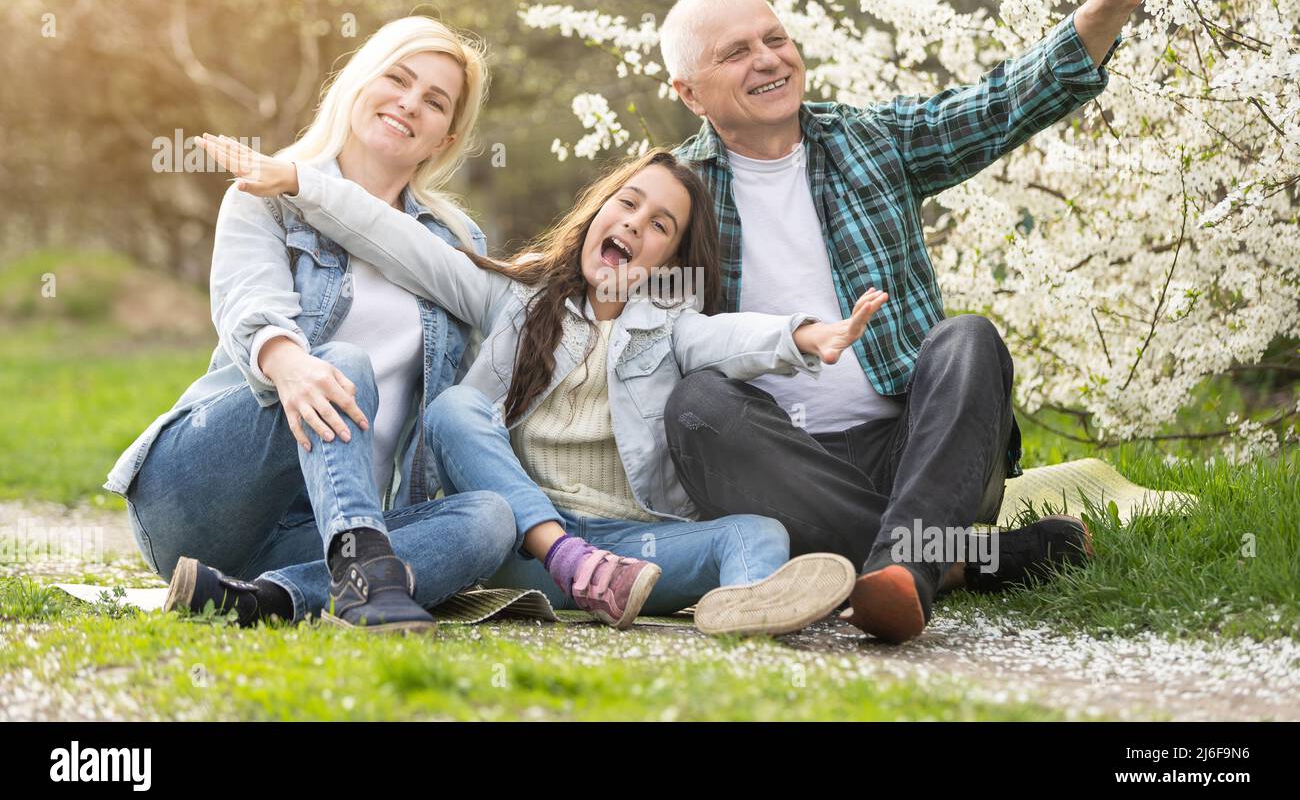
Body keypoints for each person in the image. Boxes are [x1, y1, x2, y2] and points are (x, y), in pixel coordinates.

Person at [658, 0, 1182, 642]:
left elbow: (1000, 105)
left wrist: (1107, 6)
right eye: (736, 52)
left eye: (776, 38)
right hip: (781, 468)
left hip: (923, 455)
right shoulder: (674, 195)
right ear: (687, 91)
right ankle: (954, 562)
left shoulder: (870, 141)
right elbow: (603, 301)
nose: (769, 59)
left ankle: (901, 558)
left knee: (967, 338)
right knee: (694, 402)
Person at [198, 138, 890, 635]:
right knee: (457, 408)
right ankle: (571, 561)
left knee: (755, 530)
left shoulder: (673, 327)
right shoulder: (515, 300)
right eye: (628, 203)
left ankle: (746, 604)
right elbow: (404, 245)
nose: (633, 226)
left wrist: (804, 336)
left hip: (633, 553)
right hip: (524, 547)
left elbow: (734, 337)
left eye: (659, 227)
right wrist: (301, 181)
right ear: (598, 211)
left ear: (668, 261)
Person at [104, 16, 516, 632]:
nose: (410, 103)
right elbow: (250, 302)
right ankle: (363, 573)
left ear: (443, 139)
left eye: (435, 102)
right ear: (359, 81)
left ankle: (268, 598)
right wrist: (289, 362)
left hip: (315, 533)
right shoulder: (266, 188)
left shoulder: (455, 244)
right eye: (398, 79)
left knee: (490, 519)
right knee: (342, 362)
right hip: (203, 498)